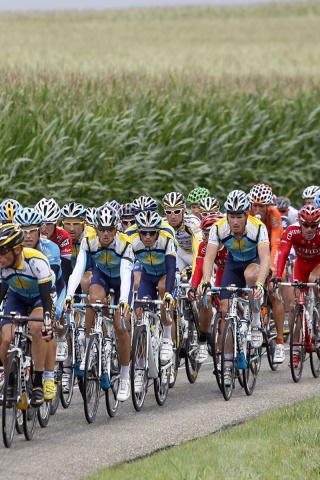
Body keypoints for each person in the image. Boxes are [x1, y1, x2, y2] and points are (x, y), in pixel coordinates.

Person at [66, 204, 134, 402]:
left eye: (110, 230)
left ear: (116, 229)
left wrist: (122, 301)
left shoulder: (124, 243)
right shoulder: (89, 241)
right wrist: (70, 295)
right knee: (92, 300)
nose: (106, 234)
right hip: (102, 276)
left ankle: (124, 377)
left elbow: (126, 274)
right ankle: (89, 348)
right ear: (96, 228)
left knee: (121, 325)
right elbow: (79, 268)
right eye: (102, 229)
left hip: (121, 280)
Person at [202, 190, 270, 385]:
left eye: (239, 216)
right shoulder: (218, 228)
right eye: (232, 216)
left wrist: (259, 283)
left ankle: (256, 323)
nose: (235, 221)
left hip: (252, 262)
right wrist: (207, 281)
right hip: (233, 265)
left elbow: (265, 257)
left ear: (246, 215)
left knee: (251, 276)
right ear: (227, 216)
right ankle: (227, 363)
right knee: (225, 311)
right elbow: (209, 257)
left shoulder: (258, 228)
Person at [0, 224, 55, 407]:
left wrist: (48, 321)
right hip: (18, 297)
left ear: (17, 250)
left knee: (37, 327)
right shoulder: (2, 265)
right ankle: (11, 378)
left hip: (41, 297)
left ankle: (38, 382)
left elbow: (47, 299)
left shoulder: (36, 261)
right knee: (6, 338)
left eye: (3, 251)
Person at [272, 205, 320, 368]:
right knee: (293, 306)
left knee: (315, 279)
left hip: (317, 265)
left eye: (313, 226)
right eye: (305, 225)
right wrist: (277, 276)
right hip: (300, 266)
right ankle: (295, 350)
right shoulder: (292, 231)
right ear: (299, 223)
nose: (309, 229)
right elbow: (283, 254)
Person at [130, 210, 177, 368]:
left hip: (166, 275)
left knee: (164, 290)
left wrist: (169, 294)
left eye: (152, 233)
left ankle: (166, 339)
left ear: (158, 232)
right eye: (144, 233)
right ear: (138, 232)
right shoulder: (133, 242)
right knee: (140, 315)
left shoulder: (166, 240)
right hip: (148, 276)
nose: (148, 237)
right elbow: (126, 268)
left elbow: (171, 268)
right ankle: (140, 366)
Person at [248, 183, 286, 363]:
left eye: (261, 205)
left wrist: (272, 271)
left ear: (268, 205)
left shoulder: (274, 215)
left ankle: (279, 342)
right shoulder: (246, 214)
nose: (257, 209)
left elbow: (276, 244)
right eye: (254, 205)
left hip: (272, 251)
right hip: (254, 253)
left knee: (274, 291)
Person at [188, 213, 226, 364]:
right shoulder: (204, 246)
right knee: (206, 297)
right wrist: (193, 287)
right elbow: (199, 268)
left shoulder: (229, 243)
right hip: (214, 271)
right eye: (203, 233)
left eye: (208, 234)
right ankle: (202, 341)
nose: (204, 237)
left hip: (228, 271)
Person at [34, 197, 73, 285]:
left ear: (57, 222)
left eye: (48, 224)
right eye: (40, 224)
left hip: (56, 272)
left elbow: (65, 270)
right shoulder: (30, 235)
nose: (43, 229)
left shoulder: (64, 237)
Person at [162, 191, 202, 272]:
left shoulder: (192, 222)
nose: (173, 216)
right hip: (181, 254)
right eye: (168, 212)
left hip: (197, 253)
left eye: (177, 212)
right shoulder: (163, 224)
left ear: (183, 211)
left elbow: (198, 251)